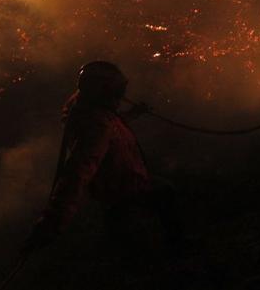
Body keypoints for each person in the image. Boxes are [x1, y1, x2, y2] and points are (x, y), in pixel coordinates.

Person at [23, 61, 181, 255]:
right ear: (103, 91)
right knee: (164, 193)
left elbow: (110, 124)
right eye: (117, 90)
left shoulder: (90, 109)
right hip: (122, 184)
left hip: (114, 183)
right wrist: (51, 223)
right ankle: (166, 249)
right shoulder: (97, 126)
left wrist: (131, 114)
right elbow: (76, 175)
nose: (121, 96)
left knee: (120, 220)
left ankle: (125, 252)